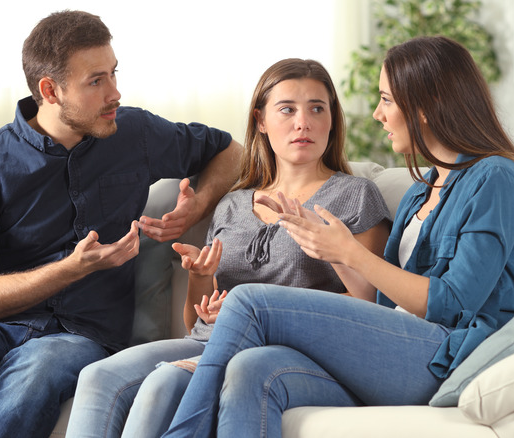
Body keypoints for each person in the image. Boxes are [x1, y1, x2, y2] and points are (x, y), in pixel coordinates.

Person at [160, 36, 514, 438]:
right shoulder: (421, 191)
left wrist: (353, 253)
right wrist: (332, 251)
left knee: (249, 301)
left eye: (387, 100)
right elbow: (384, 301)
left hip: (454, 355)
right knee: (252, 370)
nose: (377, 114)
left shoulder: (495, 177)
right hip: (401, 347)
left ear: (426, 105)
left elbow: (454, 304)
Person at [0, 10, 242, 438]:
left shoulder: (134, 133)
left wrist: (196, 207)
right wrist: (75, 266)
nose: (115, 93)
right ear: (50, 90)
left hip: (80, 338)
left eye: (113, 73)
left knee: (43, 363)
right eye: (96, 81)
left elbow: (230, 151)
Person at [64, 58, 392, 438]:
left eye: (317, 108)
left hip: (279, 353)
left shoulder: (355, 195)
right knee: (98, 375)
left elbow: (369, 310)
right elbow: (195, 323)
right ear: (261, 121)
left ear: (332, 119)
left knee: (163, 383)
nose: (303, 122)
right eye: (287, 109)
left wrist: (324, 245)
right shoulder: (234, 203)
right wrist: (201, 279)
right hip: (210, 342)